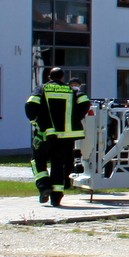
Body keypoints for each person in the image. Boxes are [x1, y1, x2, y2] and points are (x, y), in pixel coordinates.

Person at [24, 67, 89, 206]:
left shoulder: (42, 89)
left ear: (49, 77)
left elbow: (30, 104)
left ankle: (44, 186)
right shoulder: (72, 90)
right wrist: (76, 118)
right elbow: (85, 102)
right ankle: (56, 198)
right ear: (62, 77)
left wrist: (36, 122)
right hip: (66, 137)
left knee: (37, 160)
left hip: (46, 134)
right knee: (58, 165)